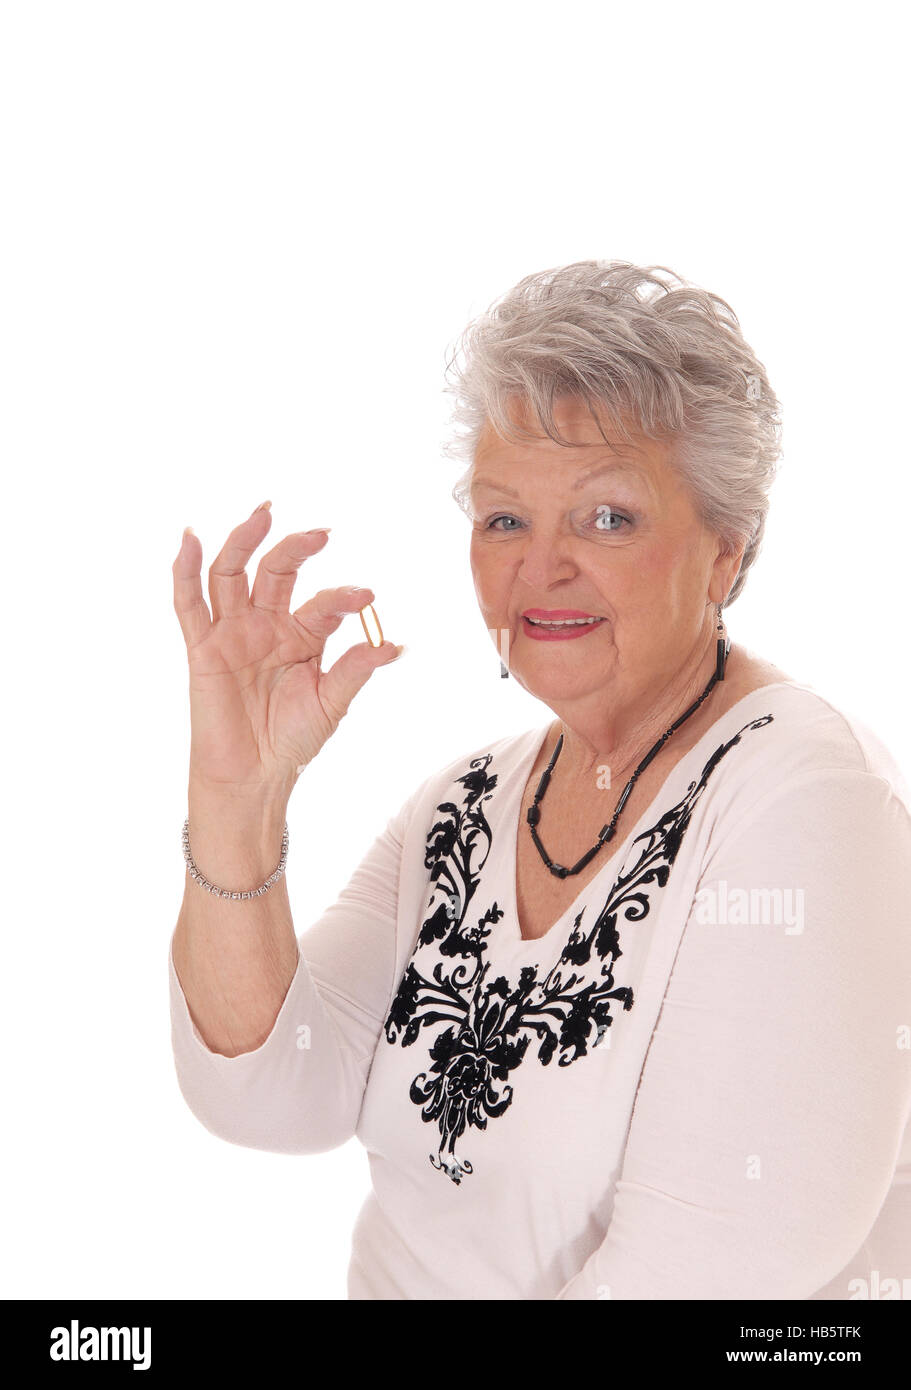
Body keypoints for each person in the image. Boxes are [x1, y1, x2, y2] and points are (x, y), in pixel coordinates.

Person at [168, 260, 911, 1300]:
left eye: (606, 517)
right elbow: (268, 1091)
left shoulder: (802, 798)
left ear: (721, 554)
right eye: (504, 518)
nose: (540, 566)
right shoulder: (462, 804)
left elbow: (703, 1281)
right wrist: (235, 801)